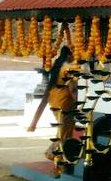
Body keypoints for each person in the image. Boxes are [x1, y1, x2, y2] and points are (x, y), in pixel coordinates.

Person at [29, 45, 80, 174]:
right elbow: (73, 88)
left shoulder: (57, 66)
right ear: (69, 55)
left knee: (62, 131)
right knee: (64, 134)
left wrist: (34, 123)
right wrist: (79, 103)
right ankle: (56, 162)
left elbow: (44, 98)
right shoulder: (70, 65)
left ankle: (57, 158)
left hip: (54, 98)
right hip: (65, 100)